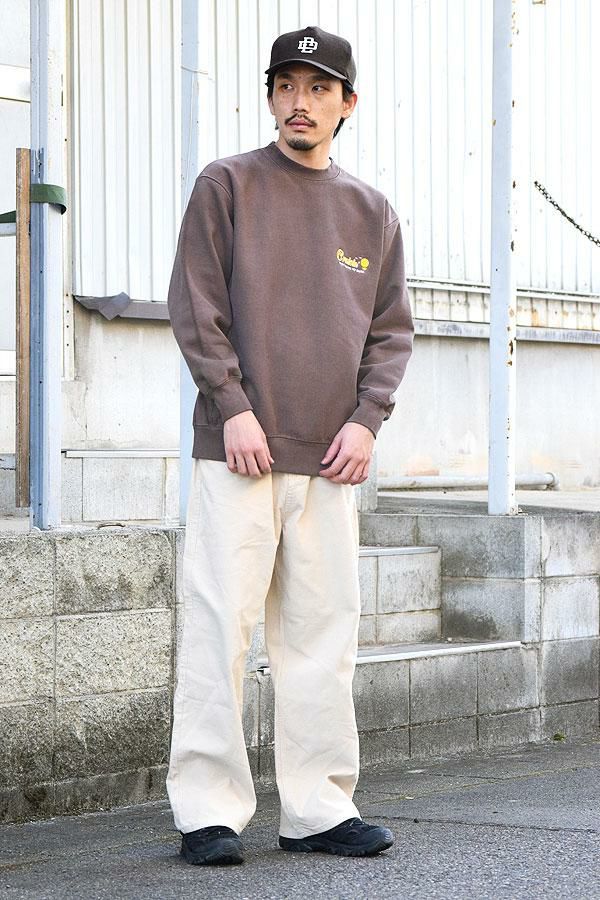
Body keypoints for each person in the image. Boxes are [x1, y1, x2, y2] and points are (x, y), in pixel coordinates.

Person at [166, 24, 414, 866]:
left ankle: (318, 809)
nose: (298, 102)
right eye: (285, 86)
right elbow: (197, 304)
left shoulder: (371, 214)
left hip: (331, 459)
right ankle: (207, 811)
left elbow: (390, 333)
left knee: (321, 636)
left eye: (317, 88)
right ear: (271, 96)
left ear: (348, 104)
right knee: (219, 629)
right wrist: (231, 405)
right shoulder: (227, 185)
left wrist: (367, 420)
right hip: (238, 451)